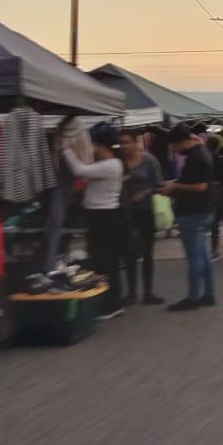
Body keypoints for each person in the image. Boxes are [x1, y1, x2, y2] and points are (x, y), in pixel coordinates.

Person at [63, 124, 127, 319]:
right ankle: (111, 301)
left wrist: (64, 148)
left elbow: (78, 169)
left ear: (101, 146)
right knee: (106, 259)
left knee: (104, 260)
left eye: (94, 145)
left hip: (103, 216)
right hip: (104, 215)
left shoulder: (110, 165)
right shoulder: (113, 164)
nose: (92, 149)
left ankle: (109, 304)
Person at [159, 124, 216, 311]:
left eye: (175, 146)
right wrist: (175, 183)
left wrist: (175, 187)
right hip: (205, 209)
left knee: (194, 257)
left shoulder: (195, 157)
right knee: (204, 255)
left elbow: (199, 186)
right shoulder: (203, 152)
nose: (175, 151)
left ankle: (193, 297)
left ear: (182, 141)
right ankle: (208, 293)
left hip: (193, 211)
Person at [119, 130, 164, 305]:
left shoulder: (149, 161)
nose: (124, 146)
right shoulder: (118, 162)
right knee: (129, 253)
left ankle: (148, 292)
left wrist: (144, 194)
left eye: (127, 142)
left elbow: (158, 184)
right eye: (121, 142)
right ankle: (131, 292)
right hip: (125, 212)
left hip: (145, 211)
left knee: (147, 252)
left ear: (135, 142)